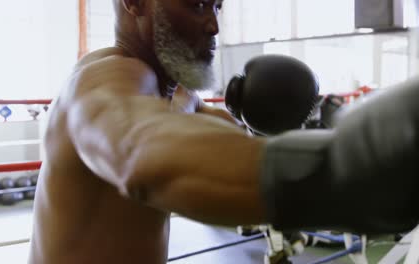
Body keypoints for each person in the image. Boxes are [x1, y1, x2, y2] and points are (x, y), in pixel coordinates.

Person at [29, 0, 255, 263]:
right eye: (197, 5)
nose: (214, 26)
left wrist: (267, 117)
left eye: (217, 7)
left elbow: (231, 146)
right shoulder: (102, 78)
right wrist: (302, 171)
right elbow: (138, 153)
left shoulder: (179, 94)